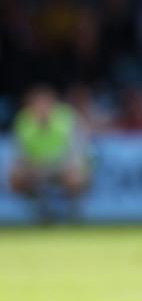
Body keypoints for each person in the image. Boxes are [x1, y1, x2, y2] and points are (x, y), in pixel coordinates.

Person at [8, 85, 91, 222]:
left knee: (76, 177)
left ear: (53, 104)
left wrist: (61, 166)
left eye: (45, 104)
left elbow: (78, 152)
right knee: (16, 179)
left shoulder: (67, 118)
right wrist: (32, 167)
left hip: (62, 166)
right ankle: (41, 209)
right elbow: (18, 155)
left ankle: (73, 213)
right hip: (36, 167)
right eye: (37, 104)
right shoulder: (23, 120)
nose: (42, 108)